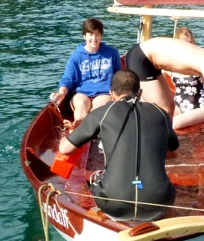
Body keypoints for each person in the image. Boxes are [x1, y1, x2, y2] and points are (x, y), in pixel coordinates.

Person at [59, 70, 179, 222]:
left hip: (114, 204)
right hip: (159, 203)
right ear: (140, 92)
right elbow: (173, 152)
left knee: (96, 177)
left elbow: (65, 149)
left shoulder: (101, 114)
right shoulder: (160, 113)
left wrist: (70, 132)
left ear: (111, 94)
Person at [125, 36, 204, 145]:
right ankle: (141, 142)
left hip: (150, 61)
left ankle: (164, 141)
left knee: (170, 106)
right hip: (141, 58)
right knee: (162, 108)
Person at [50, 18, 122, 123]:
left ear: (101, 36)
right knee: (81, 105)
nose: (94, 38)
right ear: (84, 36)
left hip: (104, 92)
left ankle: (91, 129)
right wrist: (62, 92)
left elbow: (119, 76)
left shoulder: (112, 53)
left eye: (97, 34)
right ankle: (77, 127)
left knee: (98, 108)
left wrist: (118, 93)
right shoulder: (76, 56)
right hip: (82, 93)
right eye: (90, 34)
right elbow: (68, 78)